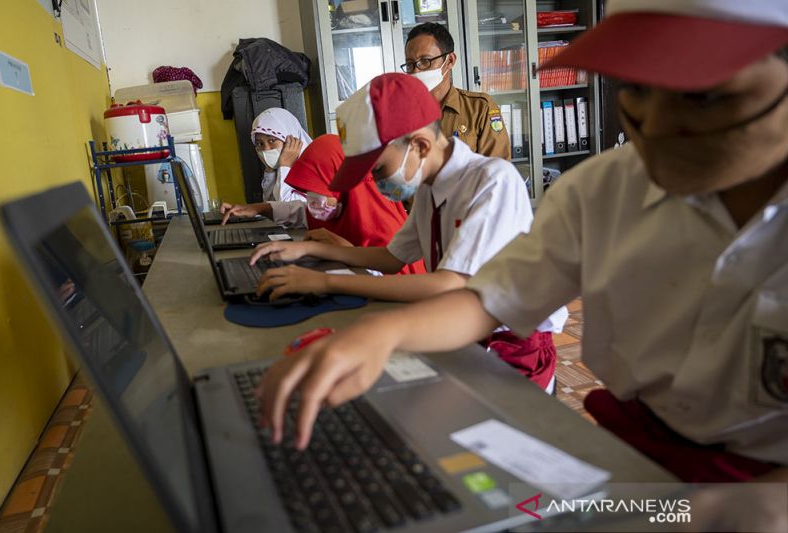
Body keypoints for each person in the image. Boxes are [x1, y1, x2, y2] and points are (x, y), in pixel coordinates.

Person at [257, 2, 788, 530]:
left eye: (705, 93)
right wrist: (378, 336)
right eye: (638, 88)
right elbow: (489, 298)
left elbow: (461, 286)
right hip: (641, 455)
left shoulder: (491, 180)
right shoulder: (603, 189)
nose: (659, 121)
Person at [252, 73, 566, 391]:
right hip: (459, 332)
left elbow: (451, 284)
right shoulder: (430, 186)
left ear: (419, 144)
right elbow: (392, 257)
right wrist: (312, 250)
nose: (376, 182)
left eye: (379, 169)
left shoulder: (492, 181)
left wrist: (326, 281)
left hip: (513, 347)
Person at [283, 133, 425, 275]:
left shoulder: (378, 220)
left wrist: (345, 252)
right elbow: (304, 212)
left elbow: (397, 278)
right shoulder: (348, 203)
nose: (313, 201)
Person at [403, 22, 511, 160]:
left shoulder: (479, 108)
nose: (416, 71)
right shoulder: (401, 112)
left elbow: (499, 172)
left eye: (425, 61)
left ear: (450, 61)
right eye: (410, 64)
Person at [220, 108, 311, 227]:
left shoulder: (312, 168)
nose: (266, 149)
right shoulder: (277, 169)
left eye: (272, 140)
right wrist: (271, 171)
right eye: (259, 144)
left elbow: (287, 214)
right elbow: (272, 204)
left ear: (292, 140)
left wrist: (285, 166)